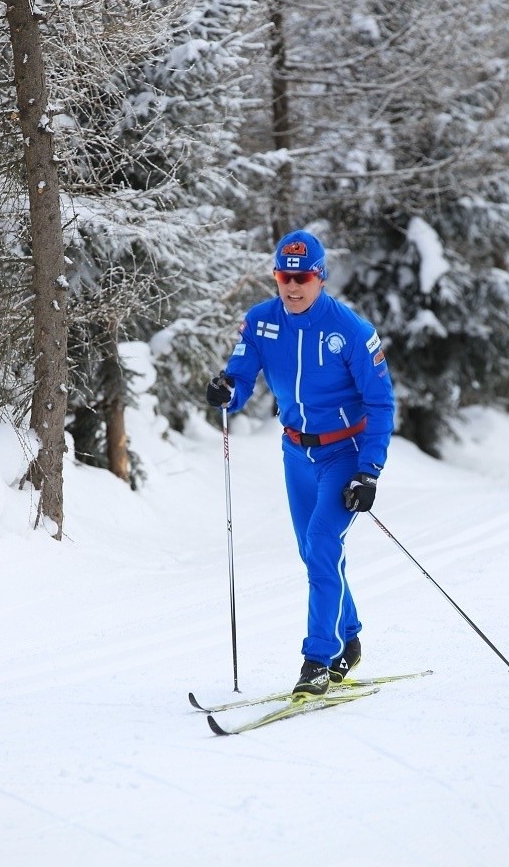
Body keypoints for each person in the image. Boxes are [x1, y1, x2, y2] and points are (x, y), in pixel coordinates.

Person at [206, 229, 395, 701]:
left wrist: (368, 471)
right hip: (296, 453)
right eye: (283, 276)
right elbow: (241, 374)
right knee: (313, 552)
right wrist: (227, 389)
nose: (292, 287)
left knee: (321, 542)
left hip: (343, 453)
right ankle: (348, 637)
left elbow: (381, 403)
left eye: (303, 277)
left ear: (321, 277)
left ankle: (319, 659)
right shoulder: (261, 321)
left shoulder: (350, 331)